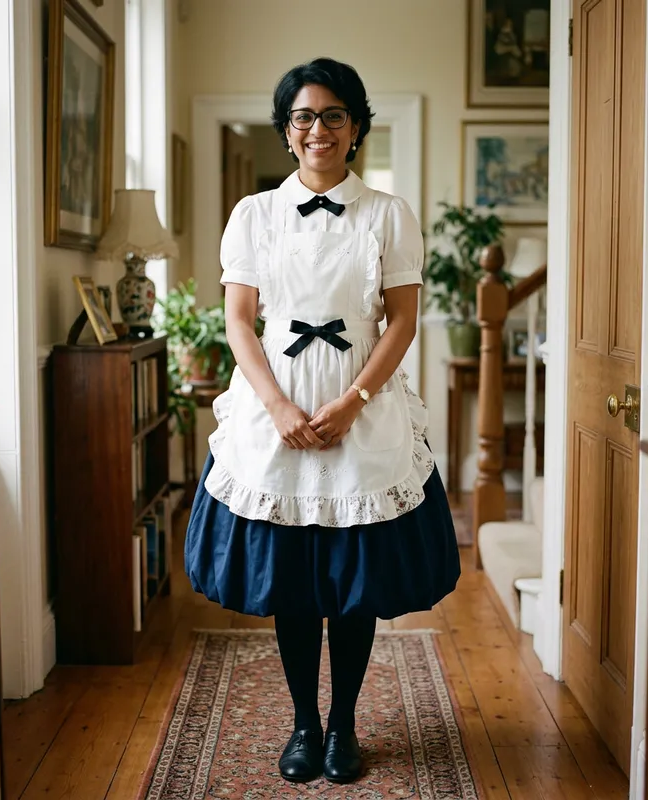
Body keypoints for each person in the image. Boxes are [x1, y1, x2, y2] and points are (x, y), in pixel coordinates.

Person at [184, 57, 460, 785]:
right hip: (276, 411)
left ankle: (344, 727)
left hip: (360, 409)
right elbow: (239, 321)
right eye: (303, 116)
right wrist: (278, 406)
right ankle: (305, 723)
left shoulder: (387, 213)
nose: (318, 129)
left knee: (354, 584)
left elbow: (402, 323)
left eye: (334, 115)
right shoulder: (253, 215)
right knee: (297, 584)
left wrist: (353, 403)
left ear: (357, 127)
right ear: (286, 131)